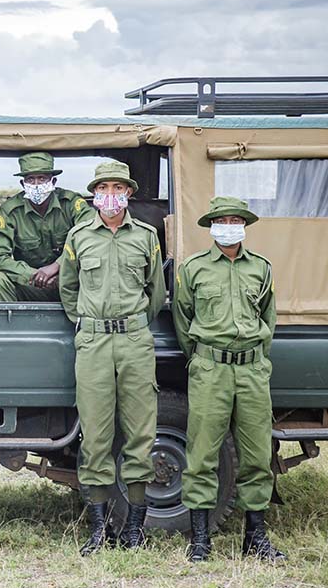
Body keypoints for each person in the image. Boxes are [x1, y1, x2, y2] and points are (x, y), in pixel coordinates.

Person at [59, 161, 165, 555]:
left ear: (128, 193)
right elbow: (69, 288)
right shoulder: (79, 236)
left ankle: (134, 527)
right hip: (94, 343)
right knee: (96, 435)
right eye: (103, 187)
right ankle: (99, 528)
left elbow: (155, 290)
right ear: (94, 194)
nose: (110, 194)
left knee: (140, 433)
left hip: (135, 339)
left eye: (118, 187)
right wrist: (88, 322)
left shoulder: (147, 236)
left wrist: (133, 323)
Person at [174, 197, 286, 563]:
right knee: (202, 453)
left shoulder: (261, 268)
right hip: (210, 369)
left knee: (256, 454)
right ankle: (201, 540)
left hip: (252, 370)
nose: (229, 225)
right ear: (211, 226)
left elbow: (268, 319)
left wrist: (255, 359)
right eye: (222, 219)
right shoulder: (194, 269)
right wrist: (203, 360)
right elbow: (183, 318)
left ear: (245, 225)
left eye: (236, 219)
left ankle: (255, 537)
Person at [0, 152, 92, 302]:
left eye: (42, 178)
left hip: (72, 282)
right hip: (31, 285)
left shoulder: (71, 203)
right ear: (23, 184)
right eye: (30, 179)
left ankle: (87, 323)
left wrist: (57, 266)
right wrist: (33, 276)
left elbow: (91, 237)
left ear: (53, 181)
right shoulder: (10, 211)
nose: (36, 185)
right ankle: (10, 325)